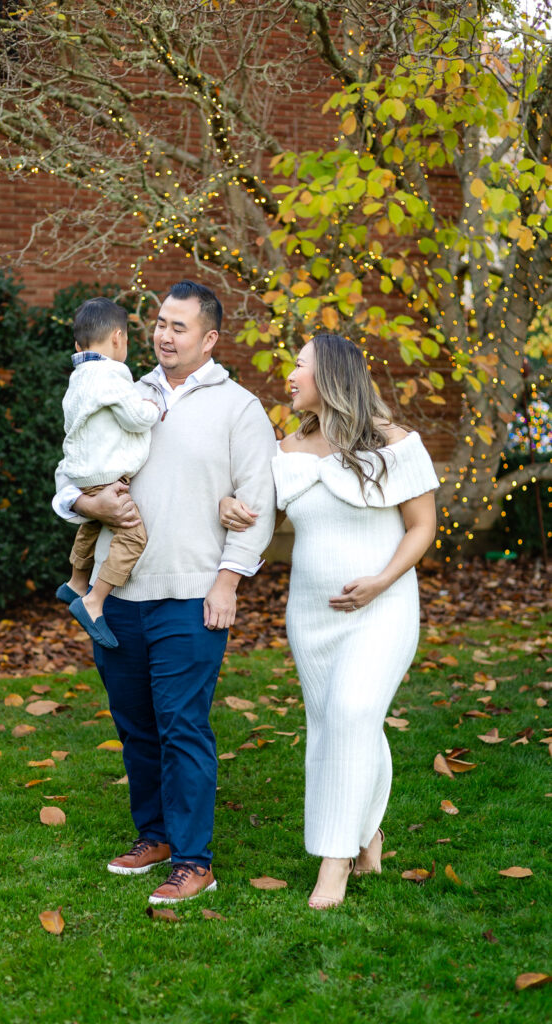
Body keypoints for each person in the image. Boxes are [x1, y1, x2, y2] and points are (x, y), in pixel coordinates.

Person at [53, 280, 276, 904]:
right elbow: (66, 474)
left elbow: (258, 505)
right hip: (116, 598)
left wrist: (229, 580)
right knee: (135, 726)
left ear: (209, 338)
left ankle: (193, 859)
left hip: (191, 594)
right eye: (159, 323)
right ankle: (152, 836)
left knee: (182, 727)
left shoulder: (240, 409)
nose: (163, 334)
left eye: (179, 327)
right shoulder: (121, 387)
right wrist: (82, 500)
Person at [220, 332, 438, 910]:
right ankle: (368, 836)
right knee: (340, 726)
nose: (288, 376)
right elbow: (257, 519)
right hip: (311, 617)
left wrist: (381, 581)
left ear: (332, 376)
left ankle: (333, 864)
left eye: (298, 366)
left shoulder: (393, 443)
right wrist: (226, 505)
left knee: (350, 712)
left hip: (383, 609)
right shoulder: (285, 448)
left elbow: (422, 527)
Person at [53, 297, 160, 648]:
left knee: (92, 522)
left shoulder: (78, 378)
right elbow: (134, 417)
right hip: (105, 474)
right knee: (132, 537)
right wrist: (152, 408)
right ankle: (94, 600)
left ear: (77, 345)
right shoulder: (112, 375)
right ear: (118, 338)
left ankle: (75, 581)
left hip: (82, 476)